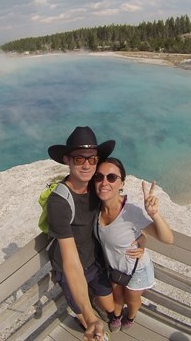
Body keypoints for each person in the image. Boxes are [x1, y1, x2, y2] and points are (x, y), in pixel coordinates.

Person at [46, 126, 116, 341]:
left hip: (93, 261)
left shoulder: (96, 188)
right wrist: (88, 314)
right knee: (93, 326)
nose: (87, 165)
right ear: (67, 160)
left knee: (110, 307)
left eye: (92, 159)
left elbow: (115, 212)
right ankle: (83, 315)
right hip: (71, 268)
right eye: (79, 159)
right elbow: (70, 262)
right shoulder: (58, 202)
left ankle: (92, 305)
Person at [93, 157, 174, 332]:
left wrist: (154, 214)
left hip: (137, 270)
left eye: (112, 177)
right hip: (114, 267)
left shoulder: (131, 210)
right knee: (117, 296)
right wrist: (142, 239)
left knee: (131, 300)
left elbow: (168, 239)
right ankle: (116, 316)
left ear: (122, 183)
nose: (104, 182)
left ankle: (129, 317)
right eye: (99, 177)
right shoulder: (95, 207)